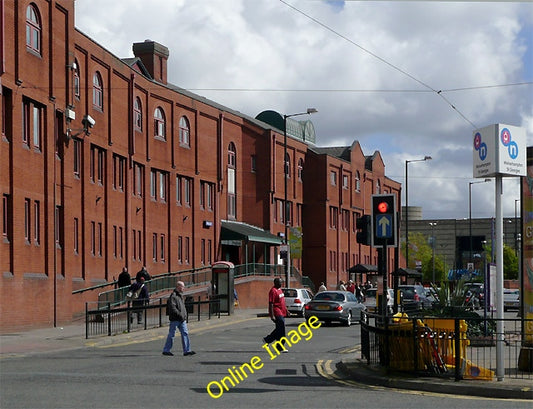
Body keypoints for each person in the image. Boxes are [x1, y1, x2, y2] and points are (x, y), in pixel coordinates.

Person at [163, 281, 196, 356]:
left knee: (185, 333)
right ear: (178, 287)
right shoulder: (173, 296)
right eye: (182, 286)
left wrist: (184, 315)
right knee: (172, 334)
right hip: (175, 319)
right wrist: (180, 314)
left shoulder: (180, 295)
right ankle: (166, 350)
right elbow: (173, 307)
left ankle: (187, 350)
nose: (183, 288)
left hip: (181, 319)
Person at [263, 277, 288, 353]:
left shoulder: (280, 290)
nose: (281, 284)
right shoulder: (273, 291)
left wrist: (287, 310)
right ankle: (280, 347)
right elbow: (271, 303)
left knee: (278, 329)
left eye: (281, 282)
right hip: (277, 312)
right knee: (281, 330)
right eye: (280, 282)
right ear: (275, 283)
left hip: (282, 311)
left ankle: (267, 339)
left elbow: (282, 302)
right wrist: (272, 315)